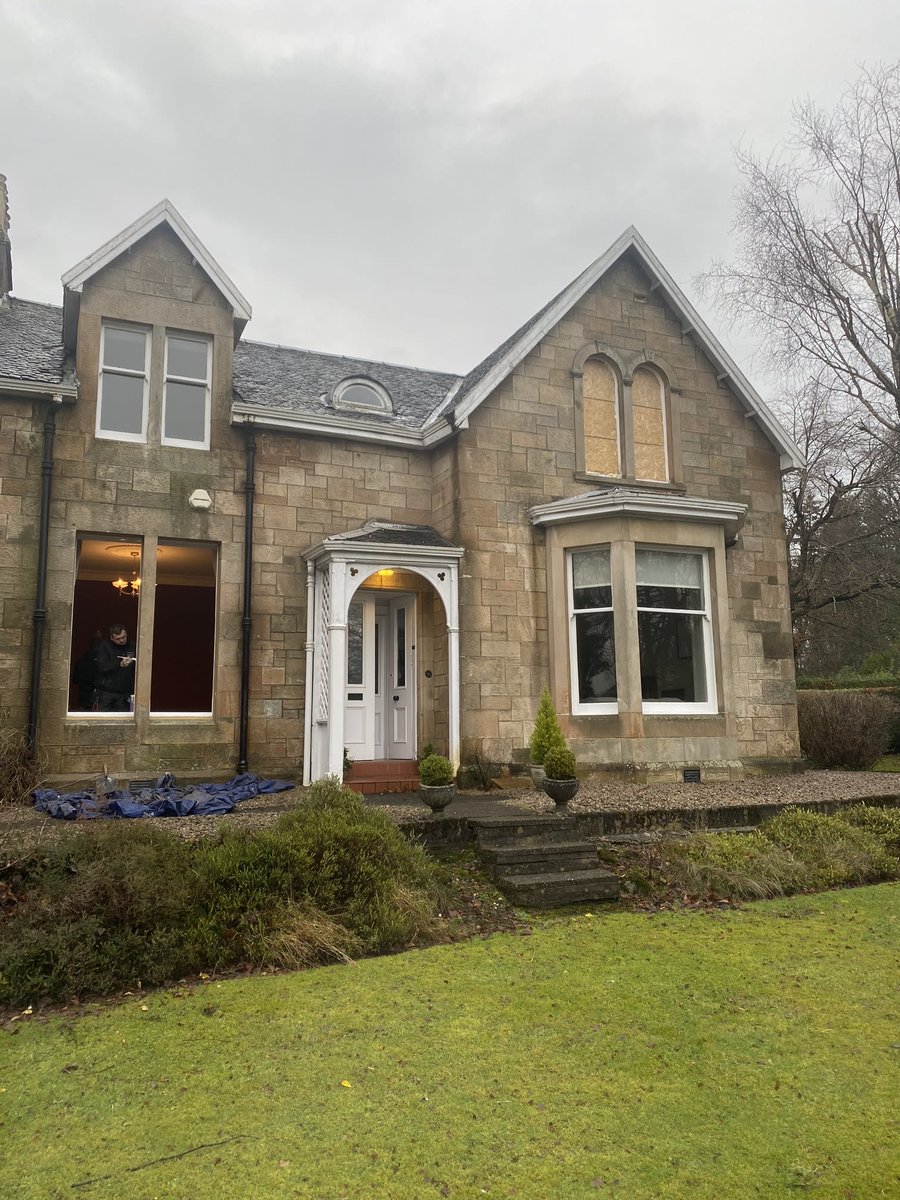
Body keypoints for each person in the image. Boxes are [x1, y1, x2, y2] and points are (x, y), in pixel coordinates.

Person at [94, 624, 137, 711]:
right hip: (107, 691)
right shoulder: (105, 647)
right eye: (118, 638)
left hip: (125, 692)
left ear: (126, 634)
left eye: (123, 637)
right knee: (102, 717)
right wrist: (119, 664)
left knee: (124, 717)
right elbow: (102, 667)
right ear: (111, 638)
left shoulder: (133, 646)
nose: (121, 640)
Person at [71, 630, 101, 710]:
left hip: (83, 694)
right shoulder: (100, 663)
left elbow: (75, 680)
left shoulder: (80, 663)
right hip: (96, 693)